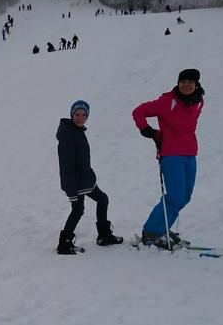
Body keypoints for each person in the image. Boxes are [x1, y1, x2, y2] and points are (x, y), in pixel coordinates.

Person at [132, 68, 205, 248]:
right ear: (178, 83)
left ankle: (162, 228)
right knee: (175, 195)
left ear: (196, 85)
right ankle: (151, 233)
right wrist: (148, 131)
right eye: (183, 81)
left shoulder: (198, 102)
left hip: (190, 153)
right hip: (171, 154)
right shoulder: (167, 101)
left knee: (185, 197)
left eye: (190, 82)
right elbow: (138, 111)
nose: (186, 85)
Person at [56, 100, 123, 254]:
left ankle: (104, 235)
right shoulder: (68, 135)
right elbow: (66, 166)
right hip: (76, 183)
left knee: (102, 199)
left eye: (84, 114)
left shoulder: (77, 131)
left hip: (85, 180)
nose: (80, 117)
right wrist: (71, 190)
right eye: (77, 114)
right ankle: (64, 244)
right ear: (72, 115)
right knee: (78, 210)